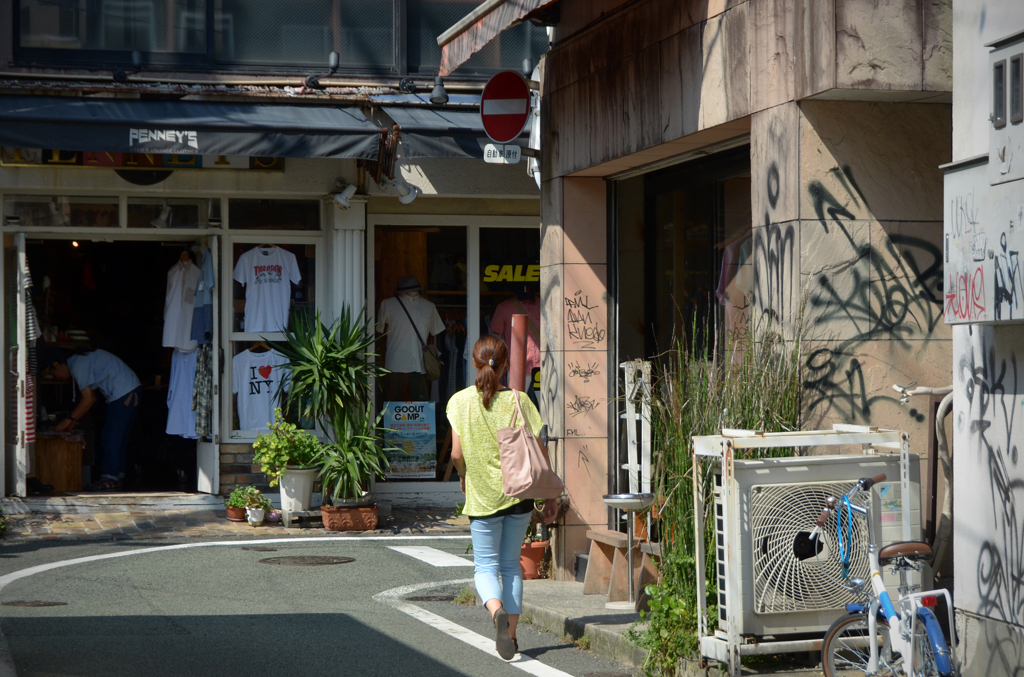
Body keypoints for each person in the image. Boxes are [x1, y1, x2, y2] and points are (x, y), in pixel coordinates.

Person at [447, 335, 555, 660]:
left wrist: (464, 475)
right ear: (505, 364)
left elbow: (455, 454)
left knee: (485, 566)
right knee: (511, 565)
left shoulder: (460, 402)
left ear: (475, 363)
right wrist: (548, 493)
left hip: (482, 498)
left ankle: (496, 612)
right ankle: (509, 636)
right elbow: (539, 448)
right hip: (520, 495)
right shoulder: (520, 400)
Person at [45, 348, 142, 492]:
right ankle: (116, 477)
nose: (55, 377)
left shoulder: (77, 365)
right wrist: (73, 419)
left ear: (57, 364)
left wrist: (70, 418)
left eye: (53, 373)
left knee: (111, 437)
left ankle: (110, 478)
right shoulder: (79, 361)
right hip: (130, 389)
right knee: (117, 437)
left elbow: (89, 398)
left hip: (124, 391)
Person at [375, 276, 444, 402]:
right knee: (392, 405)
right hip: (395, 363)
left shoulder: (429, 307)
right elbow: (378, 329)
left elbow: (435, 332)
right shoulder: (388, 304)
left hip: (420, 364)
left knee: (421, 406)